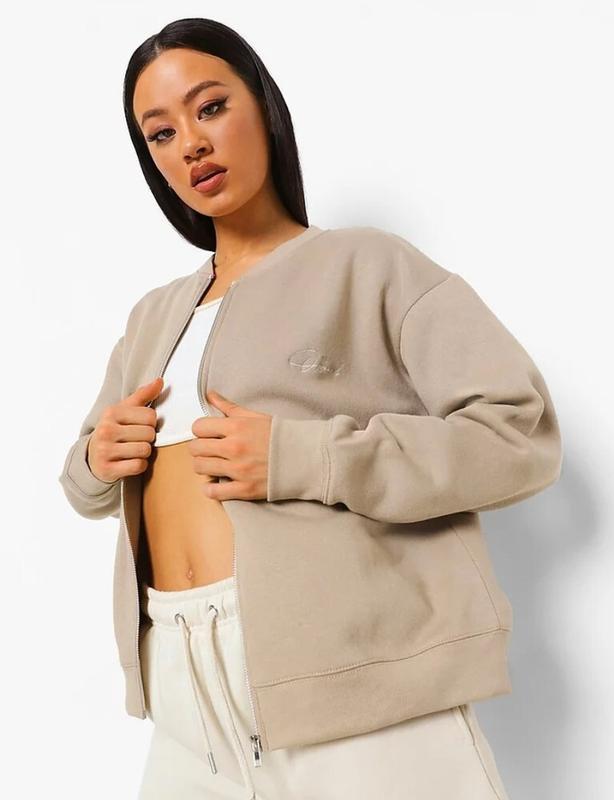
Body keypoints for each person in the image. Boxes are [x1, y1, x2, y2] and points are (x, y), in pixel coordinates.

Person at [58, 17, 563, 800]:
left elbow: (518, 432)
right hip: (188, 705)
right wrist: (97, 458)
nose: (191, 144)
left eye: (210, 107)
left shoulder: (366, 264)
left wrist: (310, 458)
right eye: (160, 133)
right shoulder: (154, 316)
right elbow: (84, 483)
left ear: (264, 106)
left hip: (360, 690)